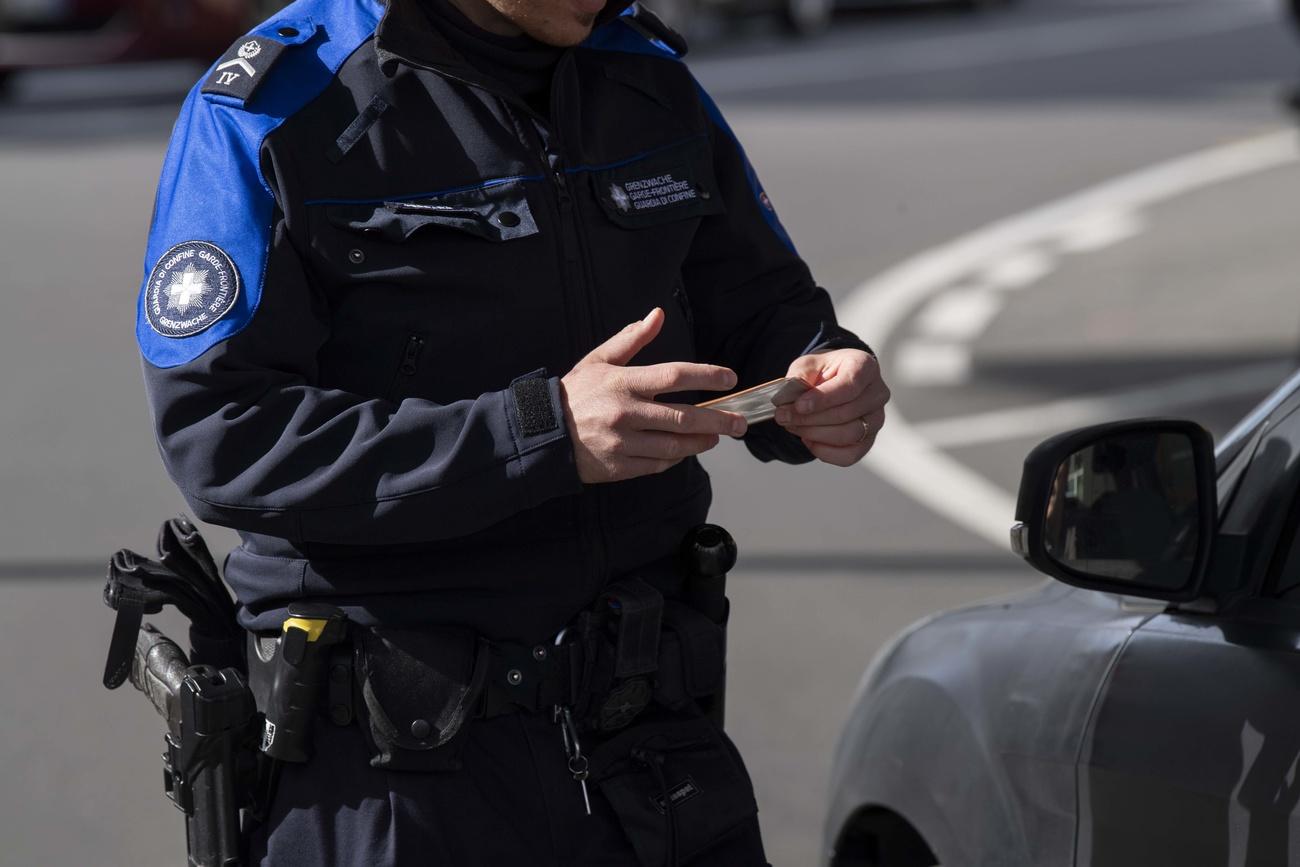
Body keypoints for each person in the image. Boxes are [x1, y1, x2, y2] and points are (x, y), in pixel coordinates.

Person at [134, 0, 890, 863]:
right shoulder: (275, 103)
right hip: (394, 780)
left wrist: (822, 372)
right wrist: (542, 430)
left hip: (652, 755)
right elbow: (222, 433)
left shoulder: (644, 72)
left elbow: (762, 308)